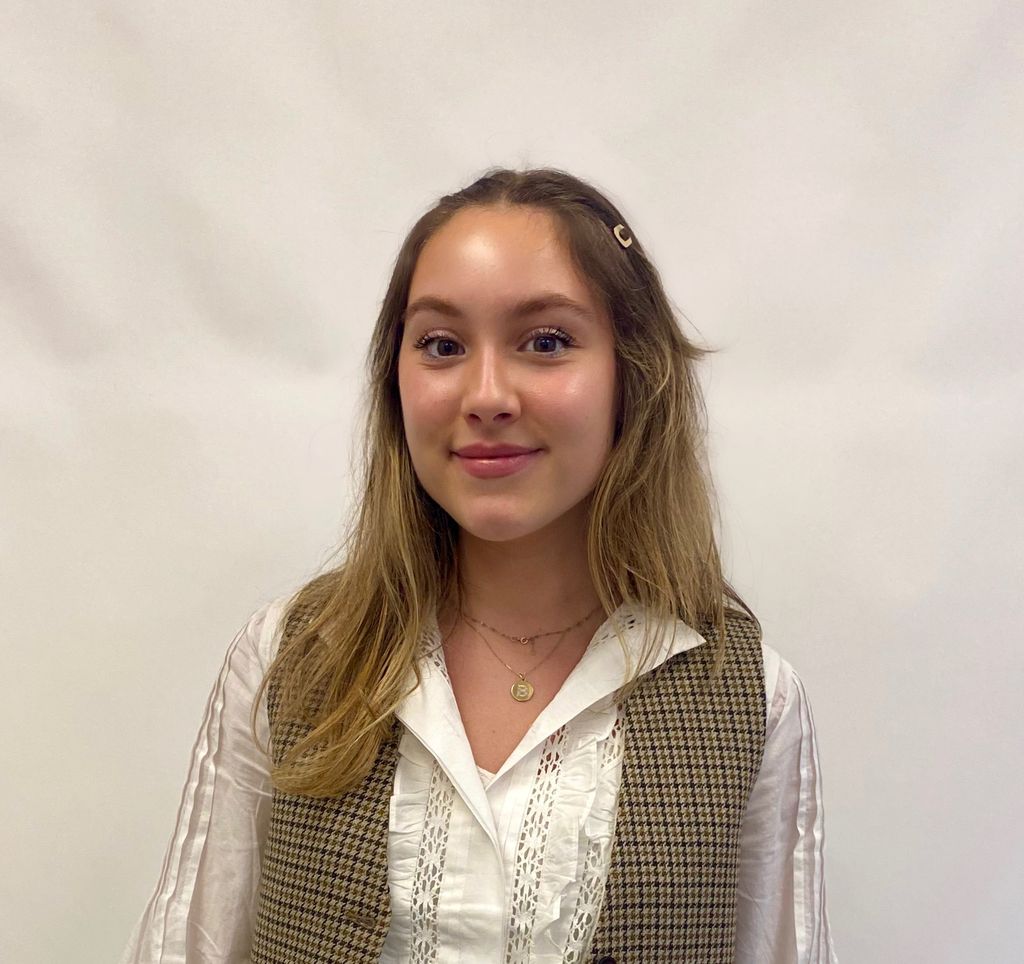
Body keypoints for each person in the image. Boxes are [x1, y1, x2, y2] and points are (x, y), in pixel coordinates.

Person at [120, 167, 837, 963]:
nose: (486, 393)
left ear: (632, 375)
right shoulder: (289, 659)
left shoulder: (746, 698)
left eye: (546, 341)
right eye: (442, 344)